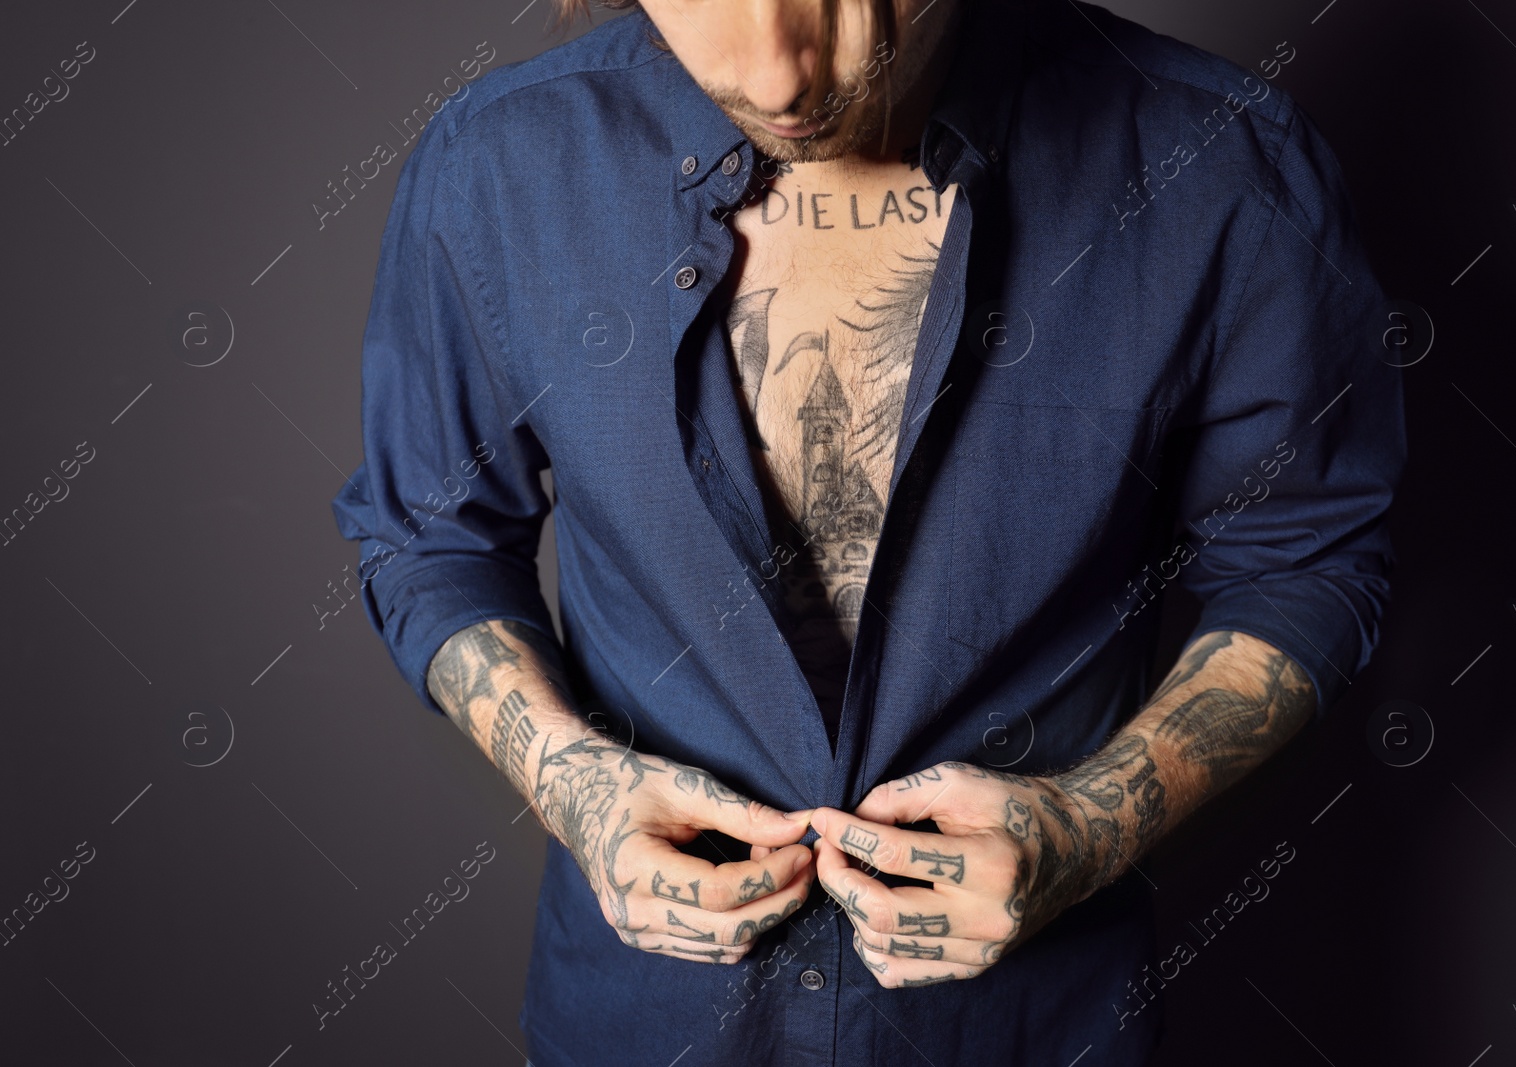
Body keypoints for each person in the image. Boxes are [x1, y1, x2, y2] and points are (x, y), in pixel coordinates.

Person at [330, 0, 1406, 1062]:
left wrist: (1090, 827)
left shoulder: (1219, 159)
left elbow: (1304, 560)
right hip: (640, 1028)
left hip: (1026, 1031)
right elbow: (432, 538)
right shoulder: (497, 161)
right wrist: (573, 784)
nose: (779, 75)